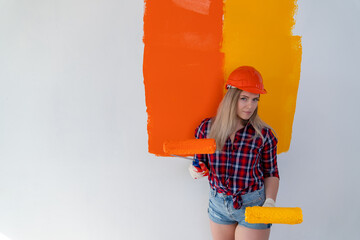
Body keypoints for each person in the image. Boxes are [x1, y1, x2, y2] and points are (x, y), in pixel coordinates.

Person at [189, 66, 280, 240]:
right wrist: (195, 170)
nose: (250, 106)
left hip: (253, 204)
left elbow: (271, 173)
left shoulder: (264, 135)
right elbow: (200, 163)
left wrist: (270, 201)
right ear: (231, 97)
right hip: (218, 205)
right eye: (244, 98)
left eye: (255, 100)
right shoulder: (206, 129)